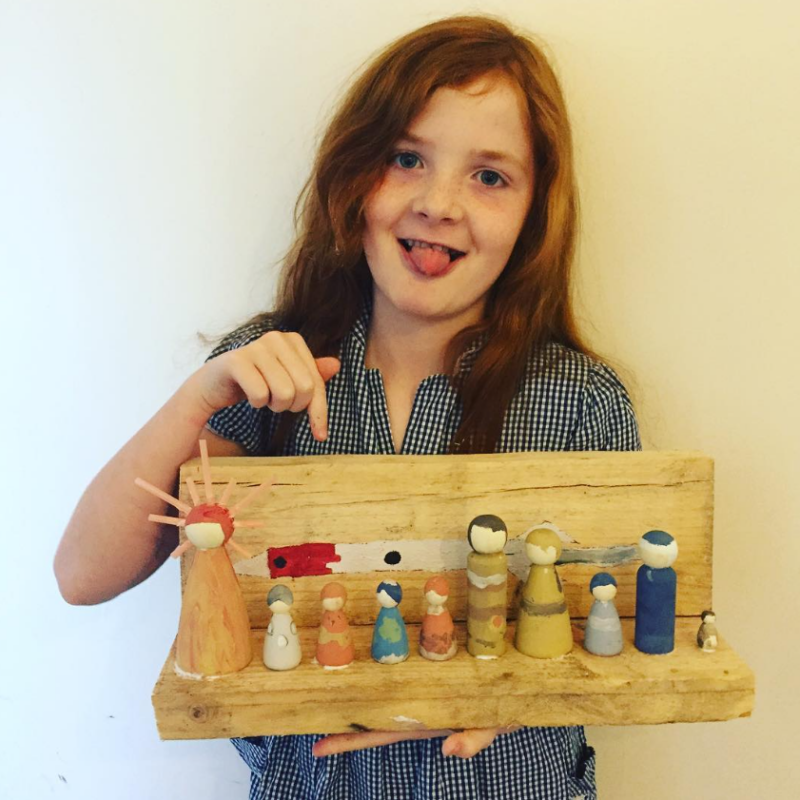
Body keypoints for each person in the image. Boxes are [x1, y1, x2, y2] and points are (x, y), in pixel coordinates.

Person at [54, 13, 641, 799]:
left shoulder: (581, 404)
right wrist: (200, 396)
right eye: (407, 159)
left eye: (490, 176)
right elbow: (83, 575)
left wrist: (516, 694)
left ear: (533, 213)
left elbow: (630, 625)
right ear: (355, 177)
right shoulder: (262, 376)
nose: (439, 203)